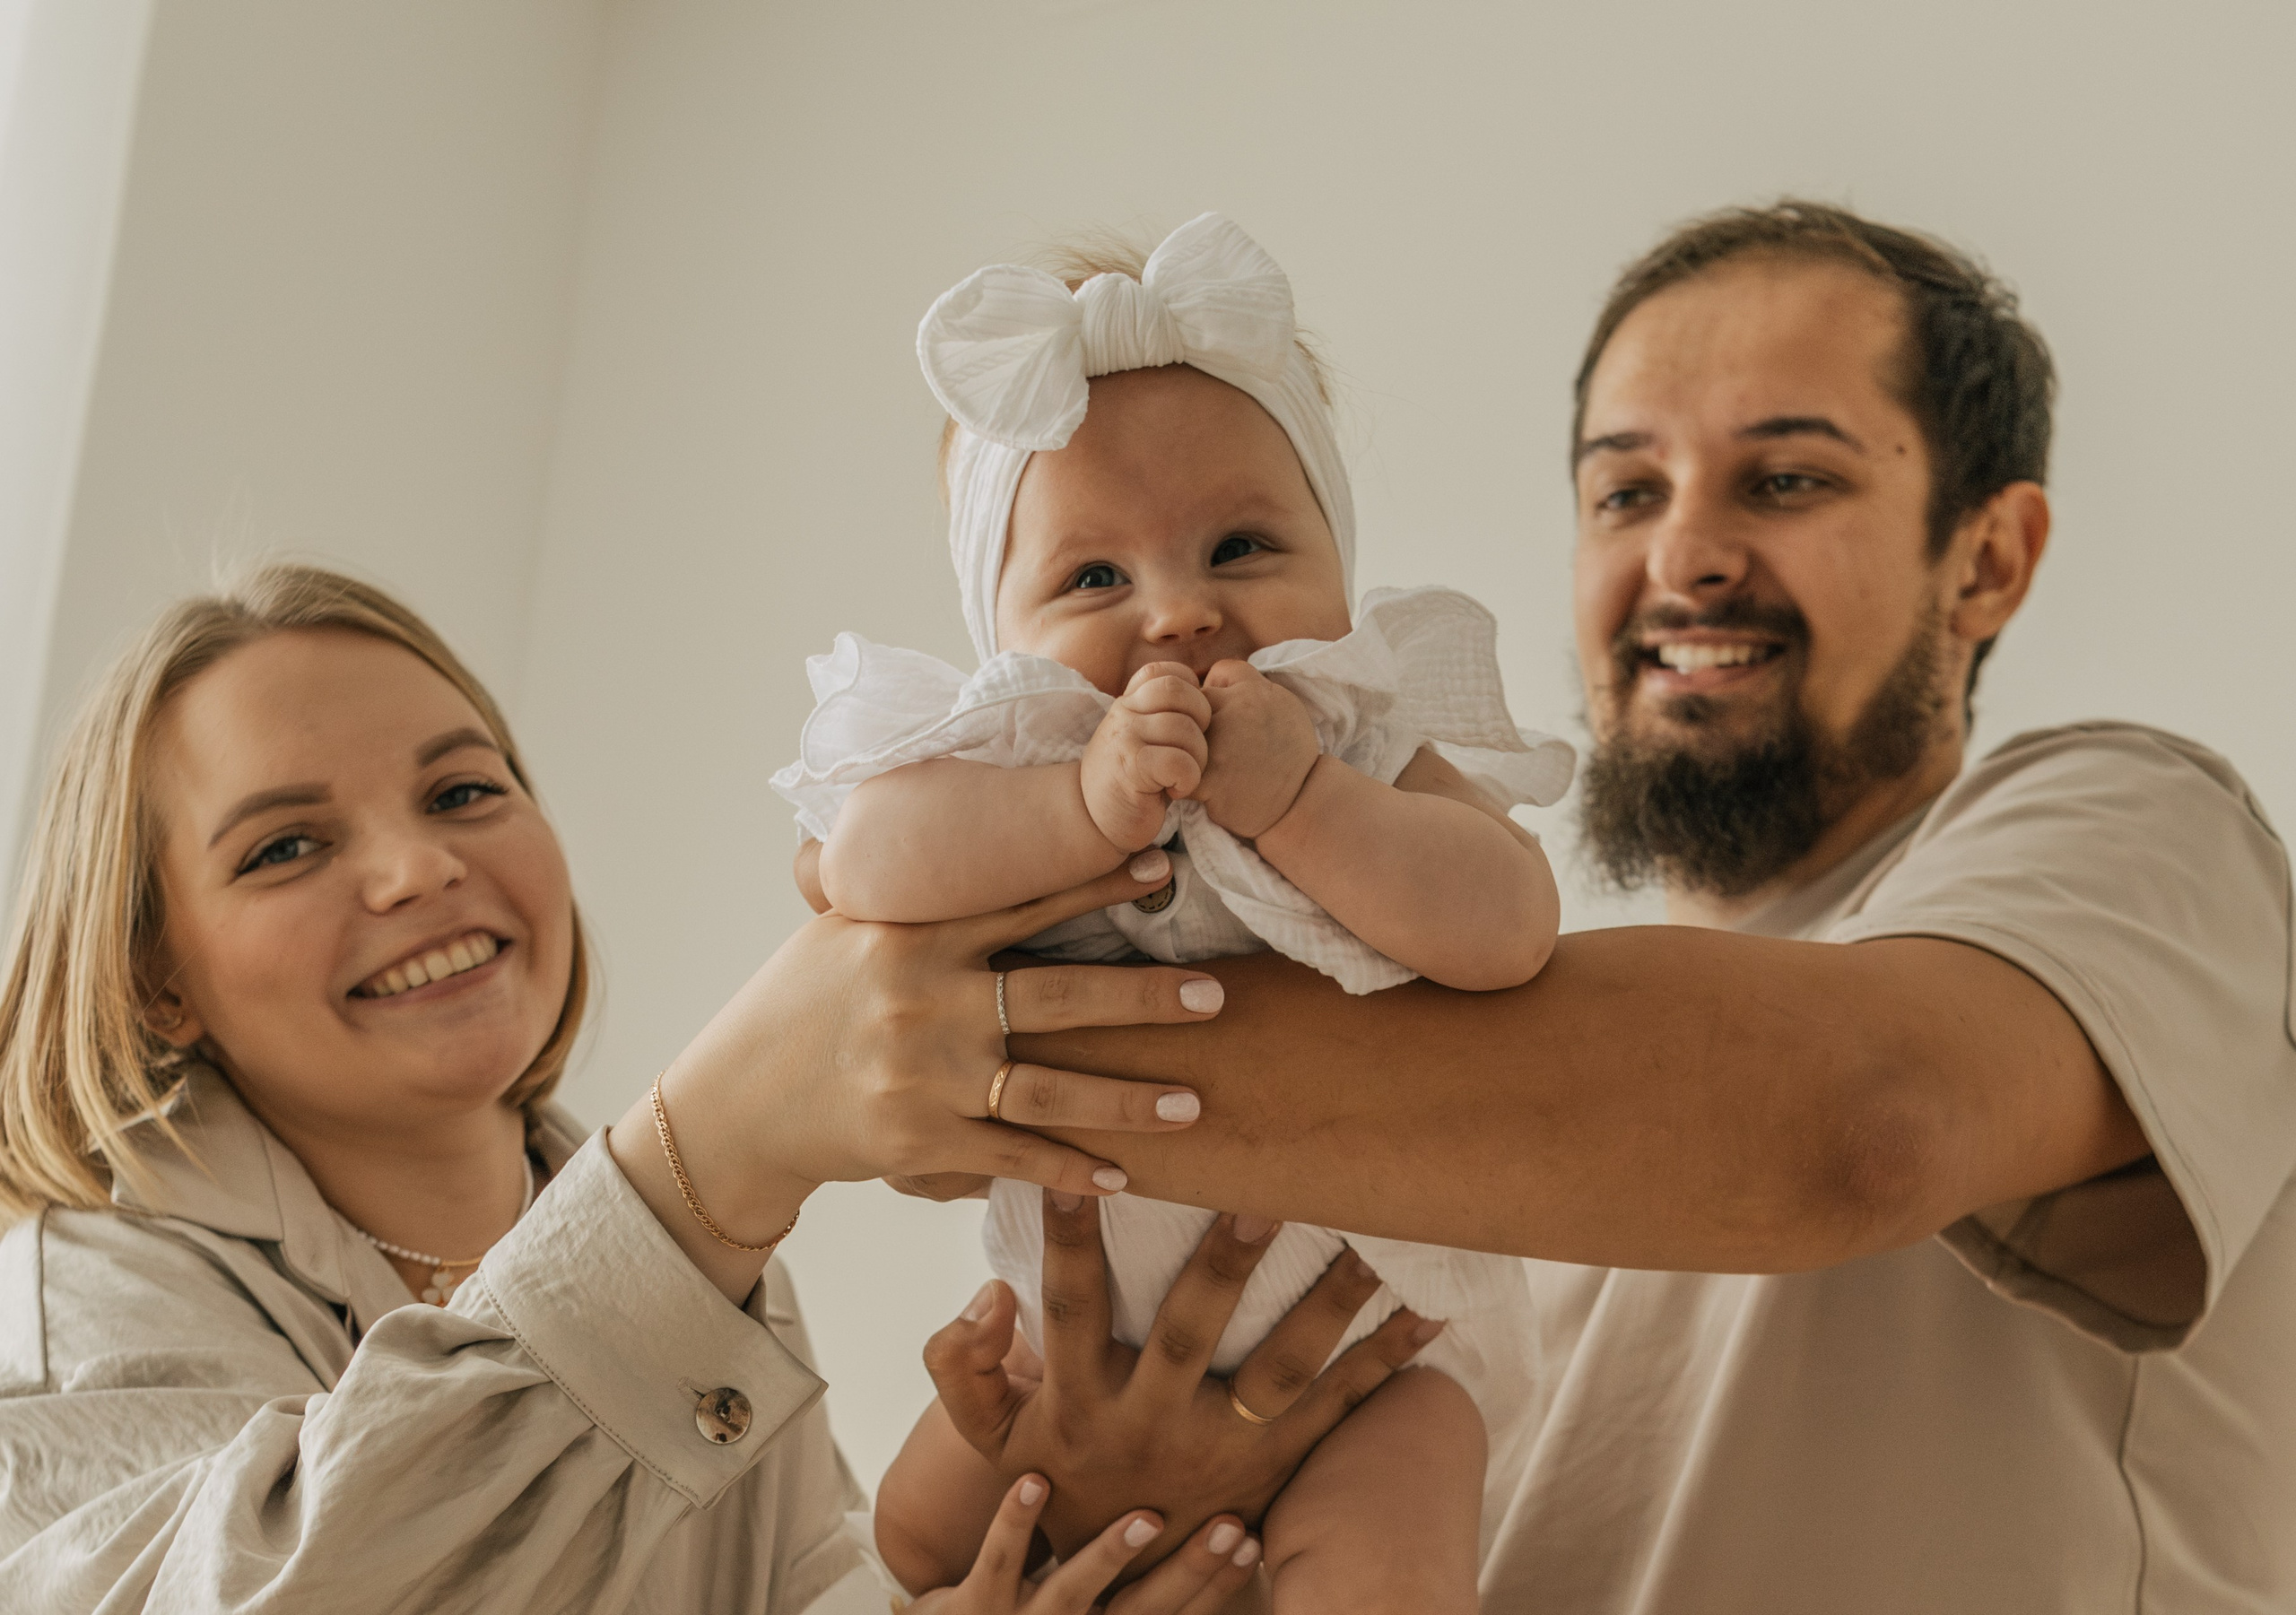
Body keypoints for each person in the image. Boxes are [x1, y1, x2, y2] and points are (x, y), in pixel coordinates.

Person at [909, 202, 2289, 1611]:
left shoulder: (2138, 825)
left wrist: (946, 1058)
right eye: (1626, 494)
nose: (1683, 557)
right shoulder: (1432, 1143)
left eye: (1788, 481)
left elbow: (1868, 1125)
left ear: (1987, 557)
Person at [0, 564, 1444, 1613]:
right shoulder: (73, 1313)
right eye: (283, 849)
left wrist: (1053, 1541)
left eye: (460, 792)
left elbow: (804, 1584)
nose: (416, 868)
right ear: (154, 979)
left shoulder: (679, 1251)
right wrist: (719, 1145)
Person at [774, 214, 1570, 1611]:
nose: (1179, 614)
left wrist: (1307, 800)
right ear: (999, 629)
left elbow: (1509, 921)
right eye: (1094, 577)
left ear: (1335, 554)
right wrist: (1075, 806)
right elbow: (862, 864)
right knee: (911, 1539)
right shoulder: (1010, 758)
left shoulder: (1363, 736)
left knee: (1393, 1547)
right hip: (1074, 1343)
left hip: (1371, 1348)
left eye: (1241, 545)